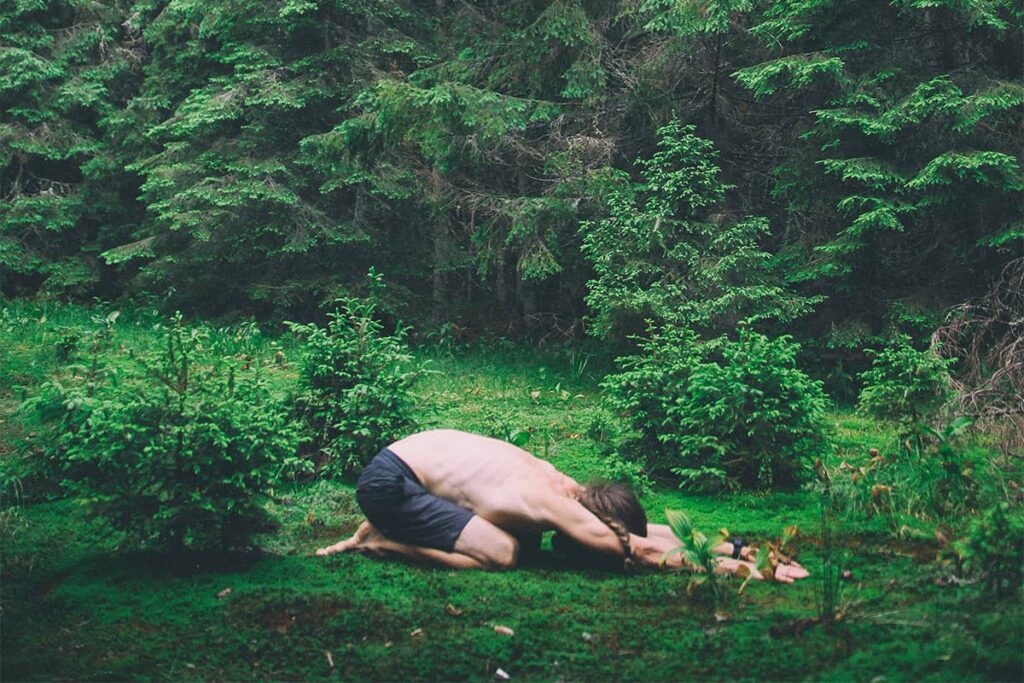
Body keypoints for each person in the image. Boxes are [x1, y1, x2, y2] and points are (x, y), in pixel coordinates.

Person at [316, 429, 808, 582]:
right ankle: (383, 541)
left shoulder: (565, 487)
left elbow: (638, 532)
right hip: (390, 485)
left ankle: (389, 529)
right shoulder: (549, 501)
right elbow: (636, 550)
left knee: (521, 541)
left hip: (409, 466)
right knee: (504, 552)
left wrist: (740, 546)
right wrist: (750, 571)